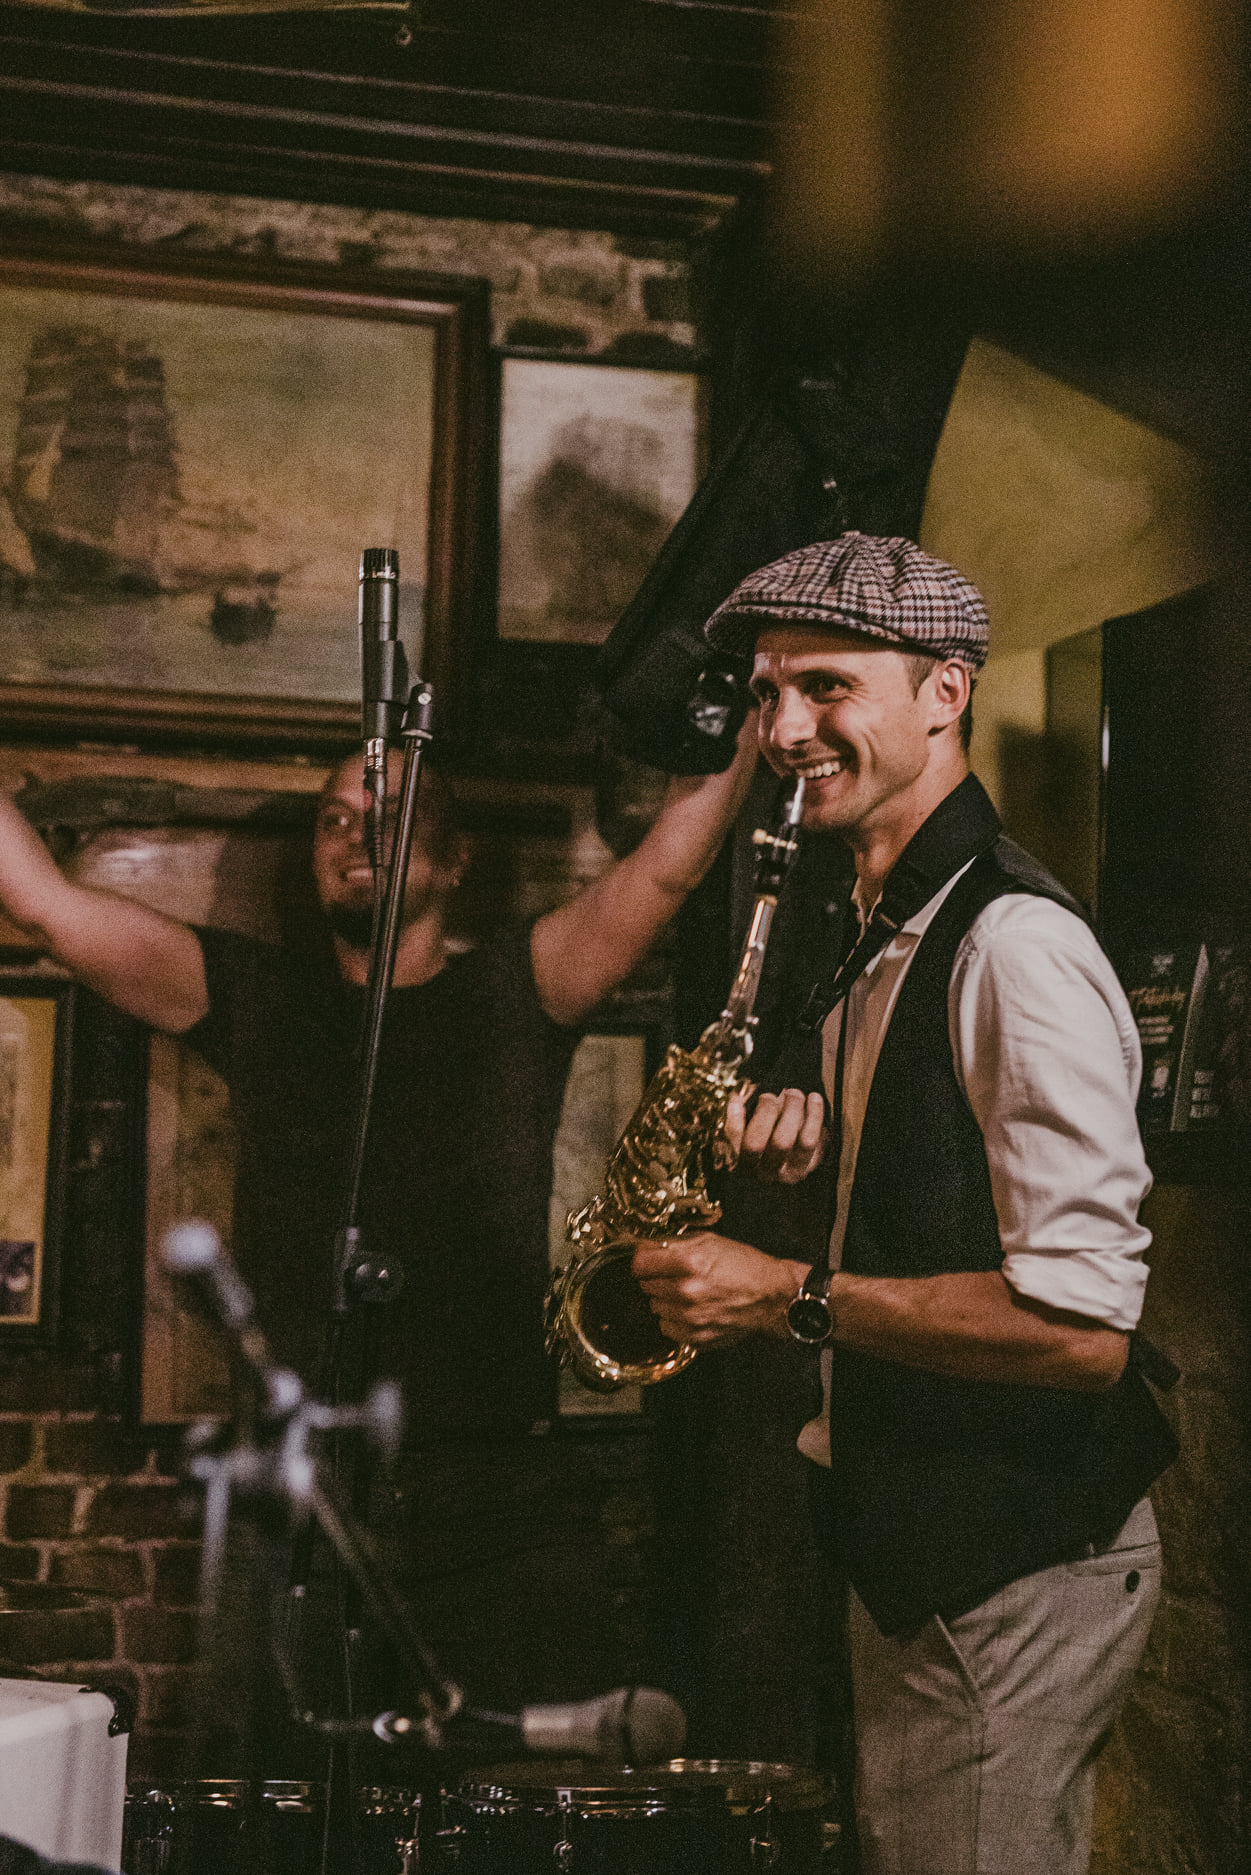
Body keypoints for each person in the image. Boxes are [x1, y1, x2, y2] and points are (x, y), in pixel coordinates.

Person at [0, 731, 757, 1717]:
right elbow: (44, 907)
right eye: (335, 819)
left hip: (500, 1502)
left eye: (390, 817)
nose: (355, 838)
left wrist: (755, 706)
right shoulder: (257, 996)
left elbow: (668, 869)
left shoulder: (518, 987)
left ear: (455, 857)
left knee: (530, 1797)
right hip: (310, 1508)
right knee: (296, 1798)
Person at [632, 533, 1176, 1875]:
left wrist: (783, 1293)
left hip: (1012, 1557)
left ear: (945, 692)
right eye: (768, 692)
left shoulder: (1015, 945)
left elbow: (1082, 1336)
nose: (782, 731)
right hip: (931, 1547)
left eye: (827, 687)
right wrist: (819, 1172)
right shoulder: (885, 922)